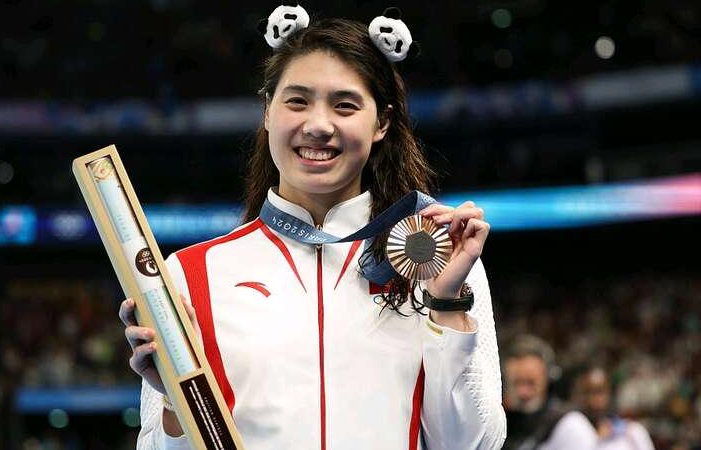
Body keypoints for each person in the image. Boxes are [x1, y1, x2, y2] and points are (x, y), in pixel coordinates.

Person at [118, 6, 505, 450]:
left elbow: (475, 445)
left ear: (381, 123)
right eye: (297, 101)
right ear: (267, 111)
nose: (318, 125)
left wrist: (446, 303)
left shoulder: (438, 261)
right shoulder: (190, 275)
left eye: (345, 106)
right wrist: (178, 400)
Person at [573, 366, 654, 450]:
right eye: (586, 393)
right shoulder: (572, 426)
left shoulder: (634, 432)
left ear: (610, 393)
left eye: (599, 392)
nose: (593, 400)